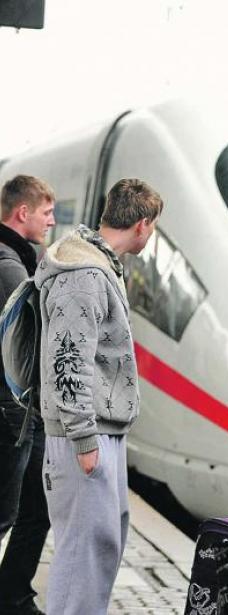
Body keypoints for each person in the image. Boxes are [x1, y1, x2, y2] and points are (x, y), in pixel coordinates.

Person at [34, 178, 163, 615]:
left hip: (97, 434)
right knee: (81, 562)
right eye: (155, 227)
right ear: (142, 225)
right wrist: (85, 440)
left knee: (98, 552)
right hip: (82, 438)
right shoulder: (85, 277)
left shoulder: (98, 267)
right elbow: (68, 360)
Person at [0, 176, 55, 615]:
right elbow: (31, 339)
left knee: (36, 505)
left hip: (19, 411)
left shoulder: (16, 260)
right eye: (46, 213)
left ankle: (15, 593)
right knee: (9, 512)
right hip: (12, 412)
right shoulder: (9, 268)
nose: (52, 222)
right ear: (23, 213)